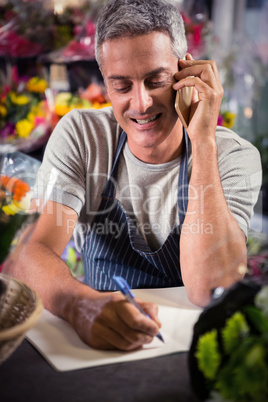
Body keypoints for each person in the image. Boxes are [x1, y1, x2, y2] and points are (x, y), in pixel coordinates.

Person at [4, 0, 262, 351]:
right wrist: (80, 304)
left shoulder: (233, 155)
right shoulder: (83, 136)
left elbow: (209, 287)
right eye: (122, 86)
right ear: (106, 86)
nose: (140, 103)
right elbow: (31, 252)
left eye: (156, 81)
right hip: (100, 347)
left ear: (186, 73)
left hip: (187, 353)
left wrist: (203, 140)